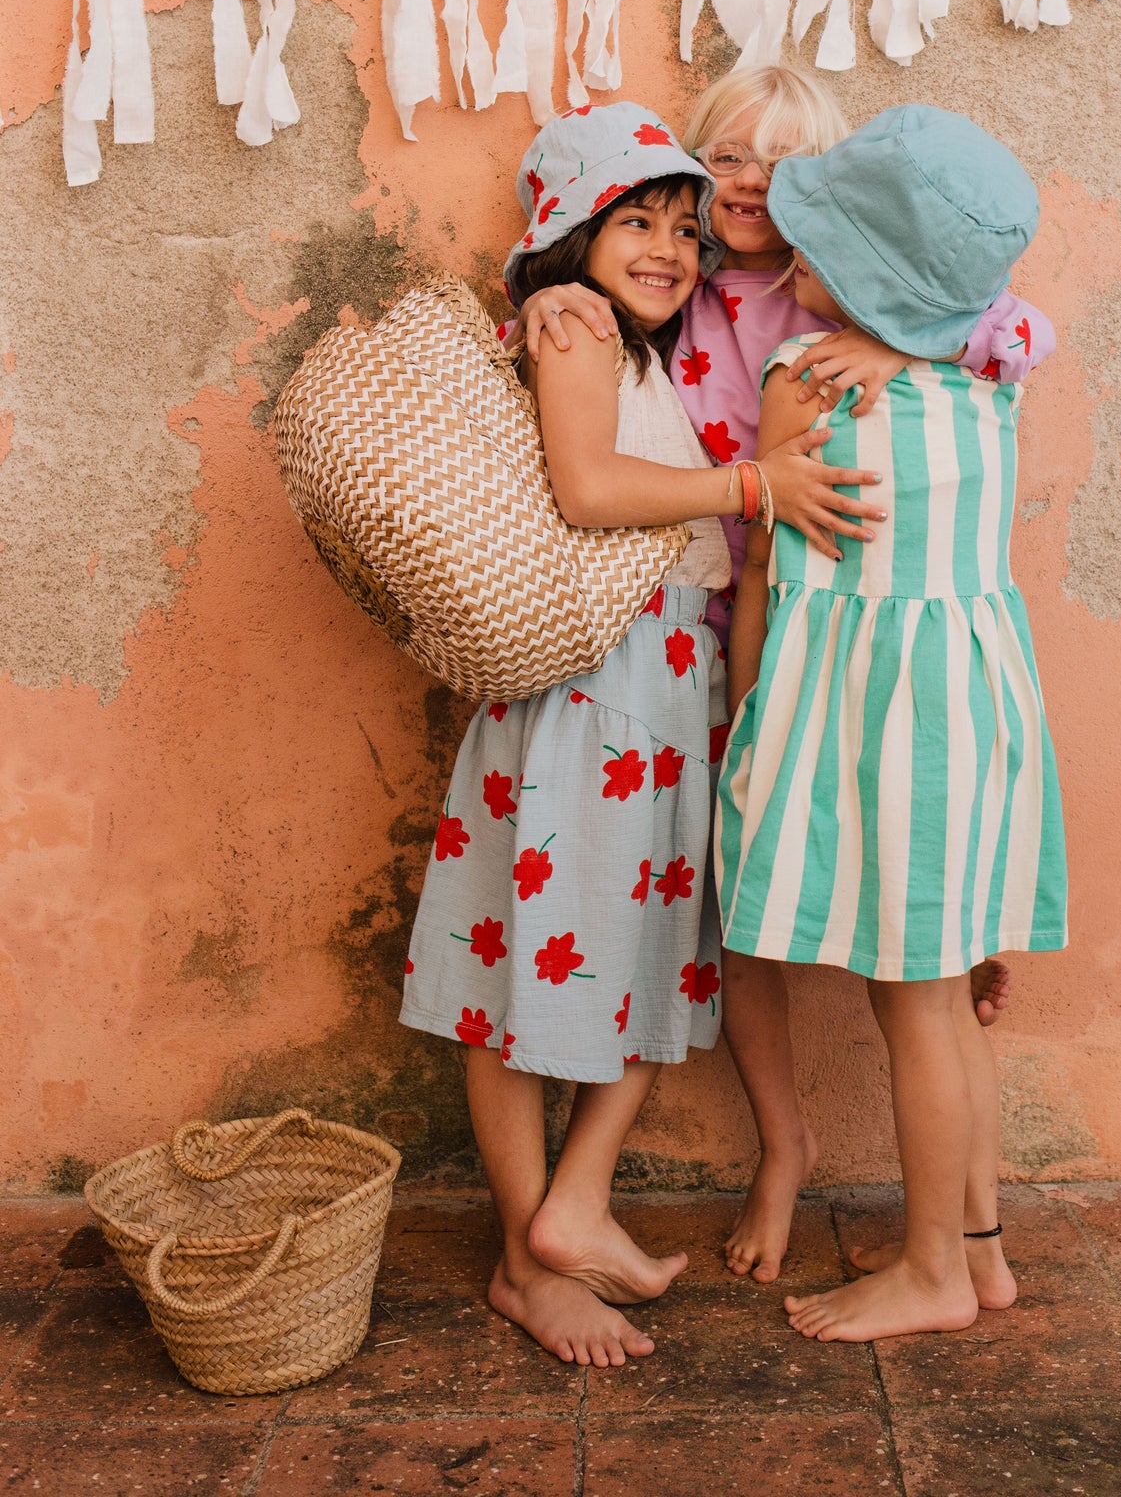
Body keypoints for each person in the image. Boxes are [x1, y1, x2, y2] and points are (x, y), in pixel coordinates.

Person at [515, 66, 1055, 1281]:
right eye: (729, 156)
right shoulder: (679, 282)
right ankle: (784, 1146)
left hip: (832, 623)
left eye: (780, 160)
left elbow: (1008, 324)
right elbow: (594, 313)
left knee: (898, 918)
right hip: (720, 613)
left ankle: (952, 1191)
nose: (750, 180)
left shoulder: (841, 304)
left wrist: (885, 332)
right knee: (736, 905)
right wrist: (548, 309)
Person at [399, 102, 877, 1368]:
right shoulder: (577, 326)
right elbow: (587, 489)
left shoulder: (645, 343)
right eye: (636, 220)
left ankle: (567, 1207)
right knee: (524, 977)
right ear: (569, 232)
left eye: (681, 224)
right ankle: (529, 1255)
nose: (669, 244)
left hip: (657, 697)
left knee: (648, 952)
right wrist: (750, 486)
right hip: (585, 692)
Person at [718, 105, 1067, 1342]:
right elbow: (995, 324)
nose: (791, 253)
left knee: (913, 1003)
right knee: (947, 1002)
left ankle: (926, 1272)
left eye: (817, 238)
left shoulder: (796, 379)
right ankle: (975, 1248)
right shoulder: (989, 382)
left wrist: (751, 711)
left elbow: (763, 571)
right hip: (975, 717)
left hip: (879, 724)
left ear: (858, 271)